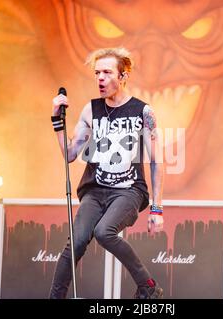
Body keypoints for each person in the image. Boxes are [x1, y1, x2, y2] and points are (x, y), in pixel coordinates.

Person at [49, 47, 164, 299]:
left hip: (129, 190)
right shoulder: (90, 110)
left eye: (107, 72)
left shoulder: (143, 112)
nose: (100, 78)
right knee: (76, 241)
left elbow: (156, 161)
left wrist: (157, 208)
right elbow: (70, 154)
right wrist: (57, 120)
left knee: (104, 232)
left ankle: (148, 285)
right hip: (96, 189)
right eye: (97, 73)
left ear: (123, 76)